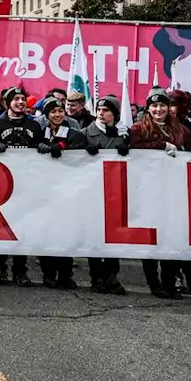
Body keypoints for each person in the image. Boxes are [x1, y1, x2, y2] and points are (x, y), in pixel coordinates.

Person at [131, 87, 191, 298]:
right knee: (150, 239)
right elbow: (133, 149)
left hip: (175, 191)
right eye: (154, 105)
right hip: (149, 190)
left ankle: (170, 283)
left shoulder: (181, 130)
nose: (158, 109)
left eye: (162, 105)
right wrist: (160, 145)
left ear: (169, 108)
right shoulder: (138, 128)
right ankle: (154, 283)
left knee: (173, 237)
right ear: (148, 108)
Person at [0, 87, 42, 286]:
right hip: (2, 184)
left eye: (23, 99)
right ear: (8, 103)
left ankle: (20, 269)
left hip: (27, 182)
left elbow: (42, 148)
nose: (20, 102)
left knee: (22, 227)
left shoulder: (34, 126)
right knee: (1, 226)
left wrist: (44, 147)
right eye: (15, 99)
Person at [35, 95, 86, 287]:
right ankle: (48, 274)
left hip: (67, 191)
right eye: (53, 112)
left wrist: (63, 149)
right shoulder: (40, 132)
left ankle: (66, 274)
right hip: (45, 191)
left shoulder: (74, 133)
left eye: (60, 111)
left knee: (66, 233)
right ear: (47, 115)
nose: (57, 114)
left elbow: (79, 156)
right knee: (47, 232)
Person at [81, 95, 129, 295]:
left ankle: (112, 275)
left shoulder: (124, 133)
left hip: (115, 190)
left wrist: (127, 147)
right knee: (95, 233)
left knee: (113, 235)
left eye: (106, 110)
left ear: (115, 114)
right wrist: (84, 149)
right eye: (99, 109)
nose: (101, 113)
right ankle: (96, 276)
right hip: (93, 190)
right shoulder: (85, 133)